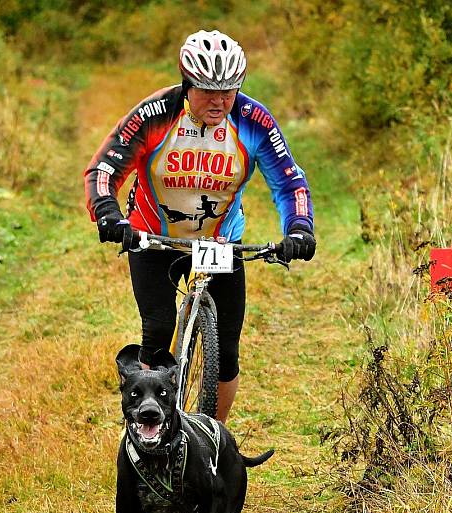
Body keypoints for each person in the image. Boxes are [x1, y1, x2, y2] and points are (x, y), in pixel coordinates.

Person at [84, 29, 315, 423]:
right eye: (208, 90)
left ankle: (214, 439)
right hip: (153, 238)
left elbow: (289, 181)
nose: (220, 100)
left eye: (229, 90)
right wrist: (107, 211)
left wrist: (299, 227)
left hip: (219, 242)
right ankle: (145, 429)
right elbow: (104, 168)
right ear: (188, 84)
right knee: (158, 331)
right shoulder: (155, 115)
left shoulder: (253, 120)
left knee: (225, 351)